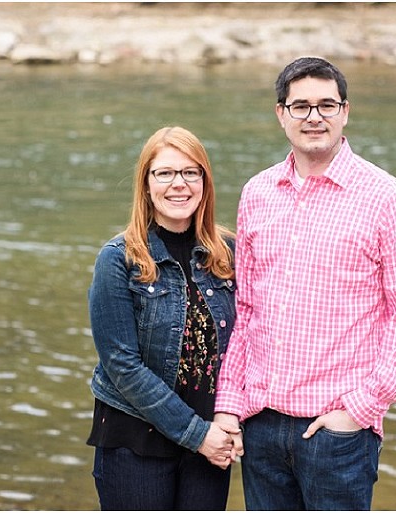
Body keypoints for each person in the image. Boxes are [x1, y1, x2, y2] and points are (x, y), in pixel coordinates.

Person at [214, 57, 396, 510]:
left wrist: (360, 409)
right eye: (300, 106)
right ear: (282, 114)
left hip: (336, 433)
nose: (313, 116)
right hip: (261, 424)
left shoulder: (388, 199)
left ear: (345, 111)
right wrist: (228, 404)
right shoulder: (258, 193)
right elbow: (247, 311)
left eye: (326, 104)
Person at [87, 126, 242, 510]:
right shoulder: (118, 259)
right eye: (165, 173)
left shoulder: (228, 254)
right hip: (135, 443)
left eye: (191, 173)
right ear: (146, 184)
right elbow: (122, 365)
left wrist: (231, 418)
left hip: (209, 446)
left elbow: (249, 342)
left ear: (205, 182)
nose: (179, 184)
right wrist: (197, 433)